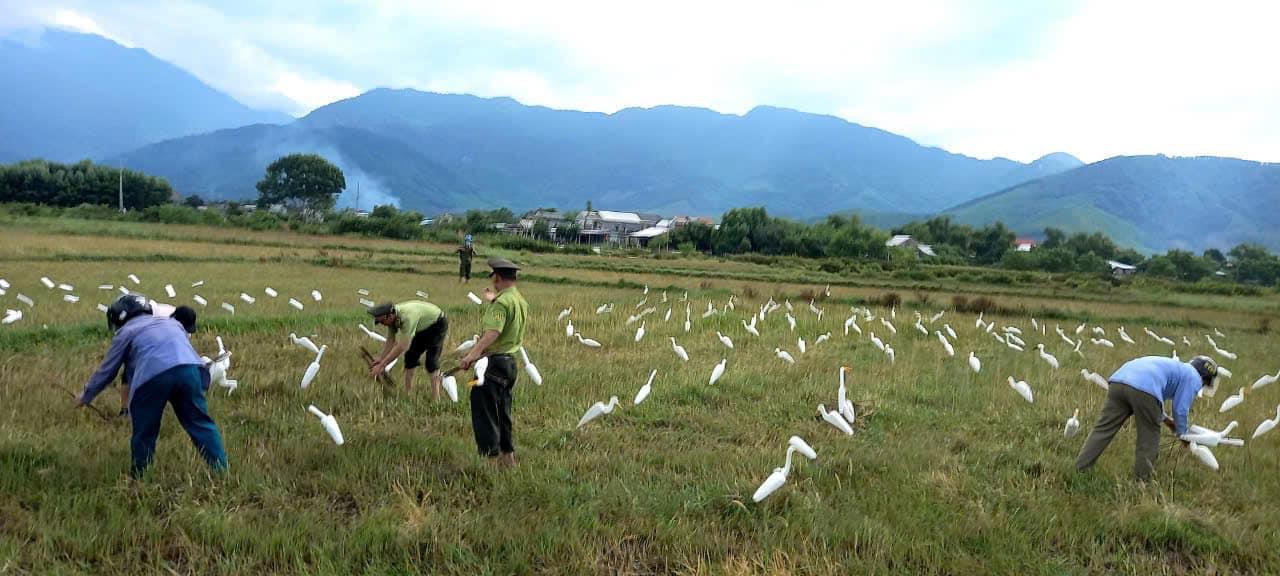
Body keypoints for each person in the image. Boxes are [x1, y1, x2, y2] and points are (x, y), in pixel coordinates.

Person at [79, 295, 227, 477]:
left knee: (145, 430)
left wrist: (86, 396)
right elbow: (187, 353)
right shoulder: (172, 324)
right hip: (190, 371)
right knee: (200, 423)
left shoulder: (126, 332)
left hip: (153, 377)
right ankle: (221, 470)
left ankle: (140, 476)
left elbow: (108, 370)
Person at [1075, 355, 1219, 482]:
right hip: (1143, 389)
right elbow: (1180, 408)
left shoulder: (1176, 367)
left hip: (1118, 382)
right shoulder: (1193, 376)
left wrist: (1167, 421)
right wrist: (1183, 434)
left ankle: (1080, 468)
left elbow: (1152, 399)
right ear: (1205, 377)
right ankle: (1142, 481)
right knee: (1149, 437)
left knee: (1103, 429)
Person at [460, 258, 528, 467]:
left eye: (493, 277)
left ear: (497, 277)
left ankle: (491, 460)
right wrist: (493, 299)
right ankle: (508, 459)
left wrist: (472, 355)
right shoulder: (518, 300)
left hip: (493, 364)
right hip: (509, 365)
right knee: (502, 412)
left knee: (484, 410)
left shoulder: (501, 303)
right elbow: (505, 318)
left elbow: (493, 331)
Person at [368, 299, 449, 397]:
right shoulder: (392, 319)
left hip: (437, 324)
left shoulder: (407, 317)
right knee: (410, 358)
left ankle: (436, 399)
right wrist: (381, 359)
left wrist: (382, 366)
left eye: (382, 322)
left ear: (390, 316)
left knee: (431, 361)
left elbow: (402, 346)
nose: (382, 324)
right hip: (421, 327)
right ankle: (408, 394)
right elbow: (390, 341)